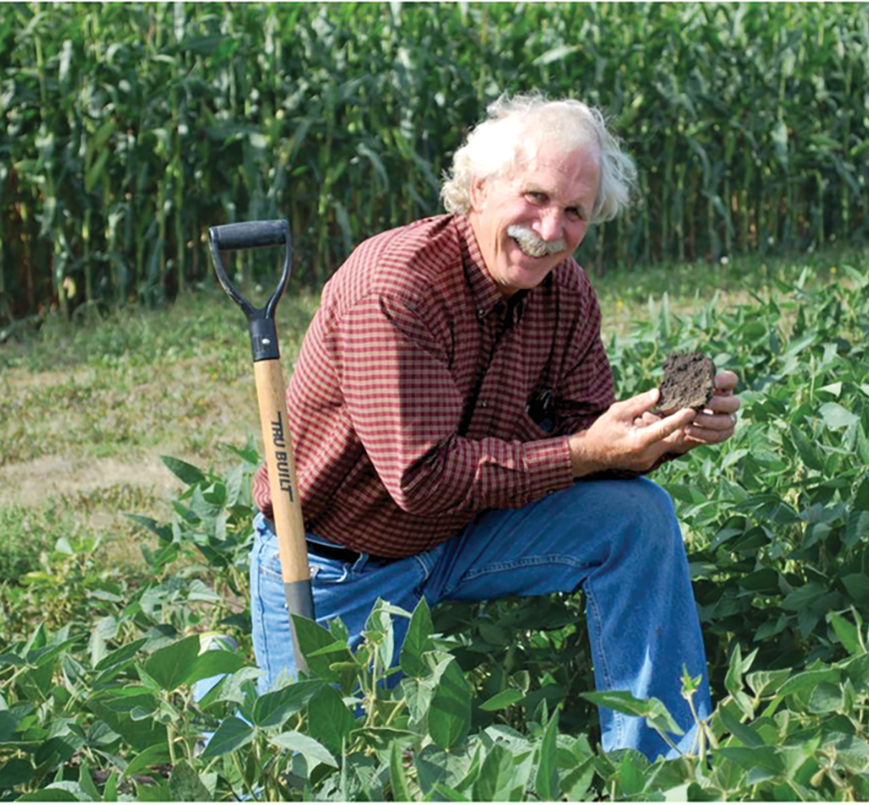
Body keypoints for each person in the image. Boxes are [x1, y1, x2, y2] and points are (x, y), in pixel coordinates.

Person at [247, 94, 741, 760]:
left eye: (575, 212)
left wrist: (657, 432)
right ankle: (223, 685)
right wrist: (583, 450)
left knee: (636, 516)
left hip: (464, 535)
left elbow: (580, 429)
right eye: (533, 196)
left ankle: (664, 766)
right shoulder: (395, 287)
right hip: (341, 564)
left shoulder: (564, 292)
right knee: (328, 765)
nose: (549, 228)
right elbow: (421, 480)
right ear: (479, 188)